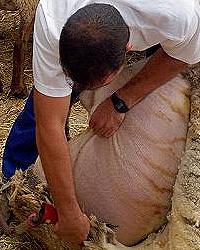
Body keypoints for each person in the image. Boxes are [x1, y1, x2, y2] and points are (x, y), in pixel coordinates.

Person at [2, 0, 200, 245]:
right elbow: (50, 123)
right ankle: (16, 188)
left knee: (168, 81)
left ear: (128, 50)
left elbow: (182, 55)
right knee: (40, 108)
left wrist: (121, 100)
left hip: (164, 22)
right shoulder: (53, 17)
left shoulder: (180, 14)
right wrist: (68, 213)